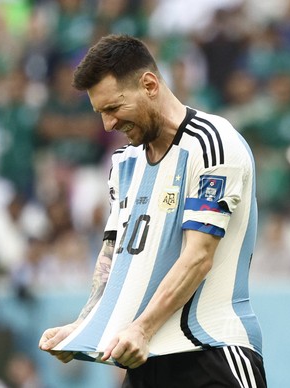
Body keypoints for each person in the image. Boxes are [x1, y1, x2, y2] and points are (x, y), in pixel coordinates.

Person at [38, 34, 266, 387]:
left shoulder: (212, 143)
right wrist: (85, 325)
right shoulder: (124, 164)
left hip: (213, 352)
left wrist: (142, 328)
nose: (107, 125)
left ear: (149, 84)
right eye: (100, 113)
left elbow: (198, 257)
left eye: (113, 108)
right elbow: (114, 260)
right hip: (147, 360)